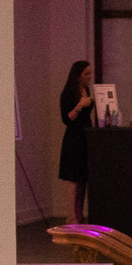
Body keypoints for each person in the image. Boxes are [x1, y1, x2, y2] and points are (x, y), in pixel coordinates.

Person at [58, 60, 94, 224]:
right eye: (86, 74)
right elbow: (67, 118)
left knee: (83, 179)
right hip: (74, 138)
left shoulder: (86, 90)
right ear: (78, 75)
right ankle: (71, 215)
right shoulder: (68, 93)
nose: (89, 76)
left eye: (90, 73)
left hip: (85, 136)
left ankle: (79, 214)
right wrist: (79, 105)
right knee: (73, 179)